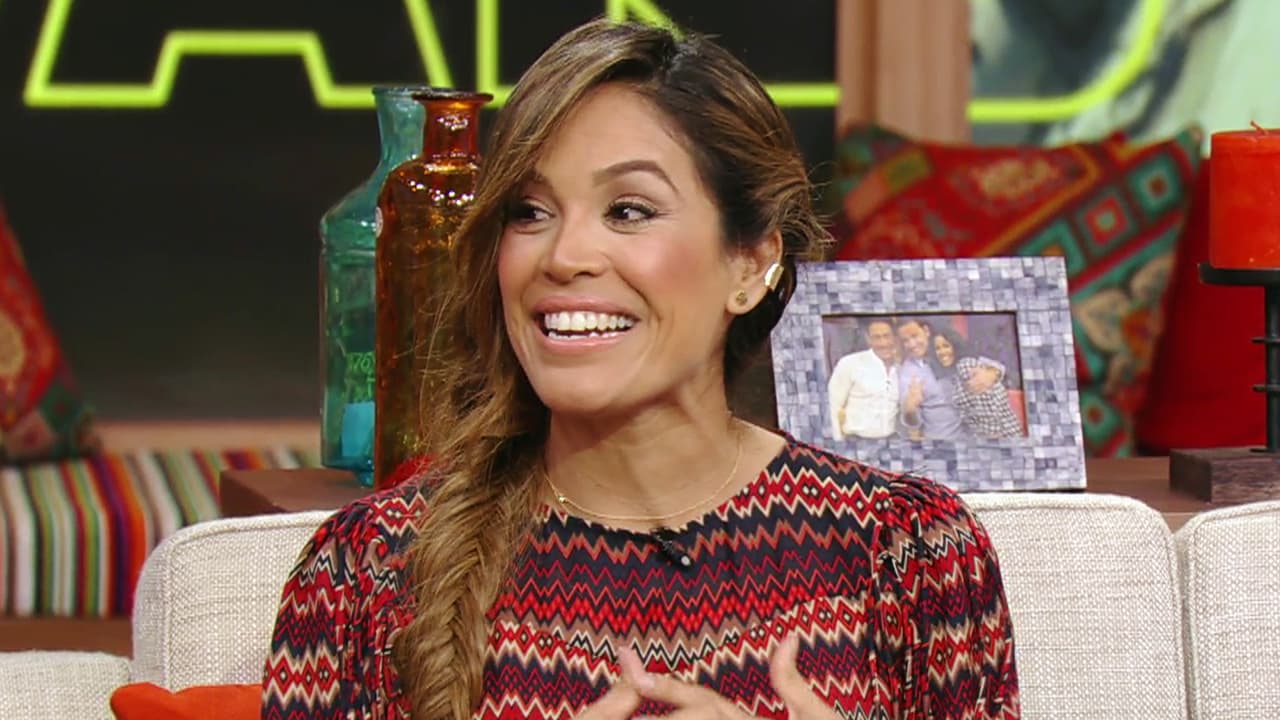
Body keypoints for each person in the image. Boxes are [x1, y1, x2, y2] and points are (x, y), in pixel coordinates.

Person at [262, 18, 1019, 720]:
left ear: (750, 263)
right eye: (529, 212)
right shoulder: (363, 576)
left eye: (628, 210)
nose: (564, 256)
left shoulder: (912, 558)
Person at [932, 326, 1023, 439]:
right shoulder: (954, 375)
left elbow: (990, 407)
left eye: (946, 346)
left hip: (1002, 436)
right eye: (937, 348)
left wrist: (992, 439)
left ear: (955, 346)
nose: (942, 352)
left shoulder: (965, 365)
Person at [826, 317, 899, 439]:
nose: (883, 343)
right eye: (877, 337)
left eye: (887, 336)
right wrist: (837, 442)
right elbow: (832, 406)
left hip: (891, 440)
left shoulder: (901, 368)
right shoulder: (850, 363)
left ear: (894, 338)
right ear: (868, 339)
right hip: (855, 440)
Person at [896, 318, 967, 441]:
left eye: (914, 336)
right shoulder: (908, 374)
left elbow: (984, 362)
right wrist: (910, 409)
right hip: (941, 441)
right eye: (905, 340)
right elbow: (912, 425)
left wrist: (994, 372)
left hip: (972, 437)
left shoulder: (946, 349)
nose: (912, 345)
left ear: (926, 331)